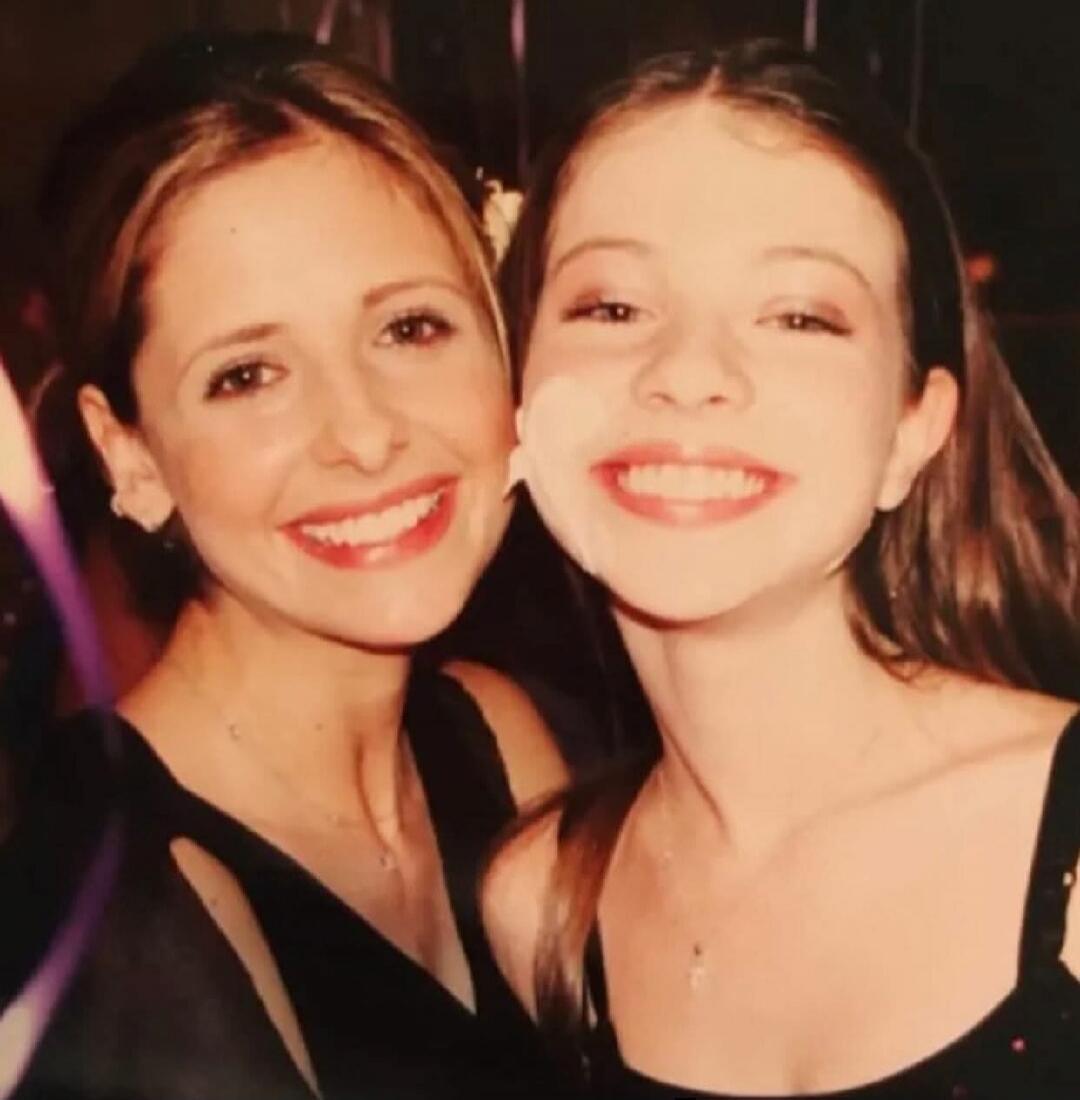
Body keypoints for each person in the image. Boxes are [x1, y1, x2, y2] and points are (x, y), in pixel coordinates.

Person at [486, 39, 1080, 1099]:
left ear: (913, 429)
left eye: (799, 315)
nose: (688, 372)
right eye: (612, 307)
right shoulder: (543, 905)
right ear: (518, 388)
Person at [0, 31, 567, 1100]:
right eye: (248, 375)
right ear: (131, 456)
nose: (364, 433)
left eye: (410, 327)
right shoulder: (128, 909)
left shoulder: (489, 736)